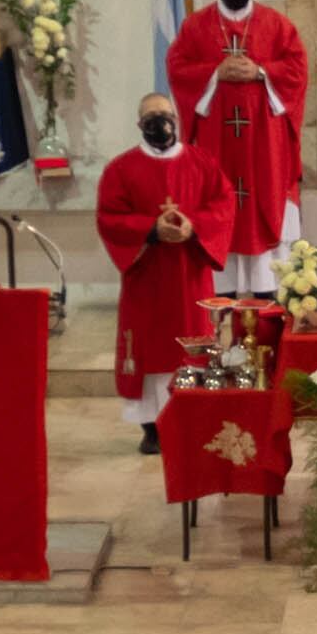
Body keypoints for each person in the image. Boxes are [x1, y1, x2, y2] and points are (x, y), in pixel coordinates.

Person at [92, 85, 235, 457]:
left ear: (177, 120)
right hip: (148, 277)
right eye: (153, 118)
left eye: (167, 116)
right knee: (151, 351)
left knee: (190, 348)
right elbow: (110, 217)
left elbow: (222, 205)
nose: (162, 123)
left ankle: (192, 418)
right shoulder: (121, 169)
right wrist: (151, 229)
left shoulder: (201, 163)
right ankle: (152, 427)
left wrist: (193, 225)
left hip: (189, 275)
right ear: (141, 124)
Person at [163, 0, 308, 302]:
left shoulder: (276, 25)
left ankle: (266, 299)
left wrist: (261, 71)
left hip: (264, 149)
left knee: (263, 211)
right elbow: (177, 66)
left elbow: (297, 69)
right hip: (217, 146)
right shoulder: (196, 26)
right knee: (218, 208)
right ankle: (218, 305)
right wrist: (215, 71)